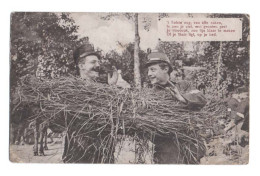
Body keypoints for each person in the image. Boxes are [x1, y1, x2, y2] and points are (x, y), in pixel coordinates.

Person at [62, 44, 123, 163]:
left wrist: (111, 88)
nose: (98, 65)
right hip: (79, 154)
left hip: (104, 155)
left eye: (98, 62)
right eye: (93, 62)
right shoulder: (70, 90)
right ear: (81, 66)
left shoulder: (103, 89)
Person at [145, 50, 207, 164]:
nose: (149, 74)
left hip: (191, 147)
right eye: (148, 70)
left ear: (165, 69)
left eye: (153, 69)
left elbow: (201, 99)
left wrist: (182, 98)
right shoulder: (148, 96)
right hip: (167, 152)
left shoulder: (184, 85)